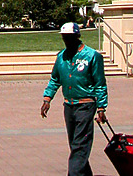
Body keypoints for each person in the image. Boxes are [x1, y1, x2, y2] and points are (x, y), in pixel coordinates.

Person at [41, 22, 108, 176]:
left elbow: (100, 84)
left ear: (77, 36)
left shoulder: (92, 56)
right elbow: (55, 79)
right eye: (64, 37)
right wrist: (47, 98)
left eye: (70, 37)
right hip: (69, 106)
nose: (67, 40)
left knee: (80, 145)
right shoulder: (61, 56)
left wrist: (101, 107)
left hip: (85, 106)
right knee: (75, 145)